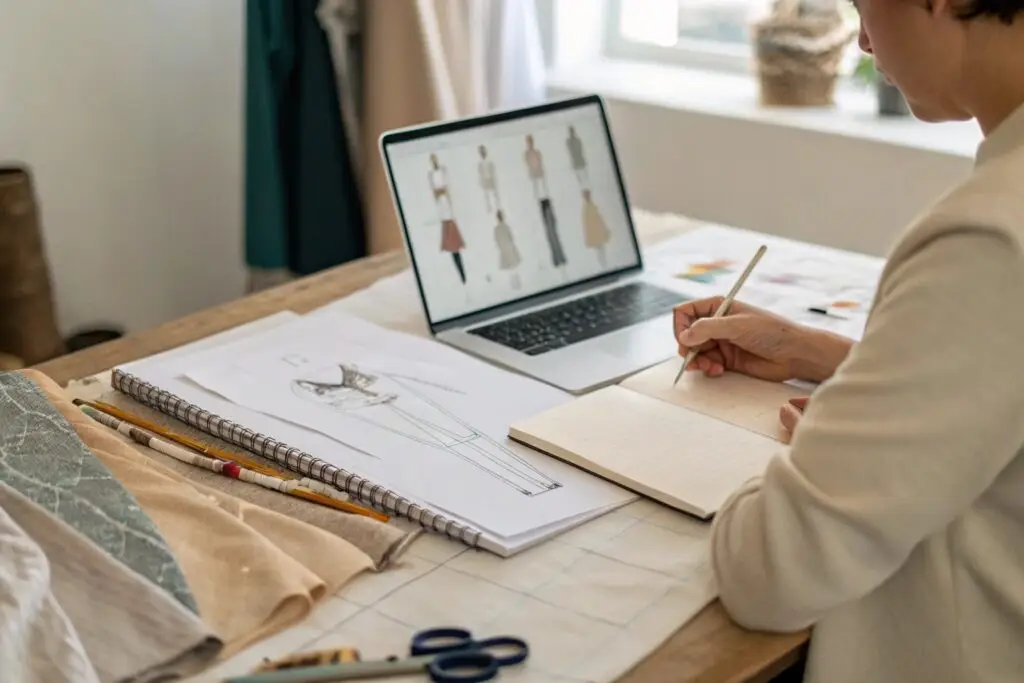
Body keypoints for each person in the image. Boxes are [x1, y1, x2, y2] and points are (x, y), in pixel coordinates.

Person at [671, 2, 1024, 682]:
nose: (862, 38)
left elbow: (772, 570)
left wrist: (827, 446)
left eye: (863, 5)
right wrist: (826, 356)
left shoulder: (990, 237)